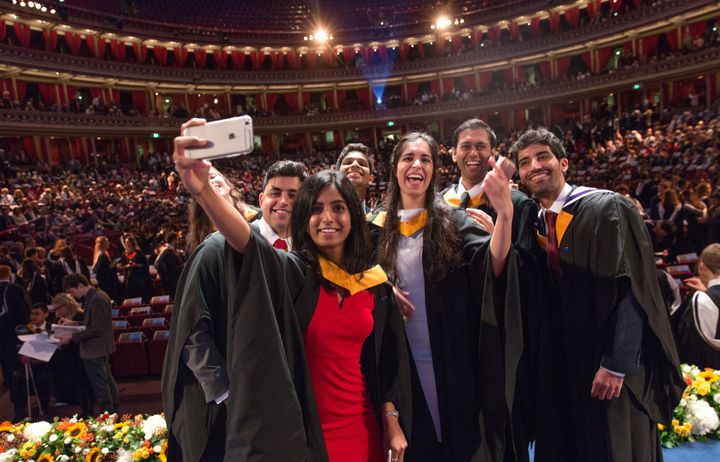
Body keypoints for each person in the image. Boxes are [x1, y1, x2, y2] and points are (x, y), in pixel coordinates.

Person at [173, 119, 411, 462]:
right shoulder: (294, 272)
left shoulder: (374, 284)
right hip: (306, 435)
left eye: (338, 207)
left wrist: (391, 420)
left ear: (352, 217)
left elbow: (388, 362)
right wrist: (203, 191)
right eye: (315, 209)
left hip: (364, 429)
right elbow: (247, 242)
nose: (327, 217)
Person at [510, 128, 684, 461]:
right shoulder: (534, 223)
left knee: (613, 447)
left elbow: (631, 288)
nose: (535, 166)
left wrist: (617, 363)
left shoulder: (607, 207)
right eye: (525, 161)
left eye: (543, 156)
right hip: (563, 366)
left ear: (563, 163)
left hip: (608, 363)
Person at [371, 131, 519, 461]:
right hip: (401, 364)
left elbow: (493, 266)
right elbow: (356, 280)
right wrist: (383, 286)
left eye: (425, 159)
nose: (417, 165)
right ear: (395, 167)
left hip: (453, 360)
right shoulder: (373, 230)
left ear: (435, 170)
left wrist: (504, 215)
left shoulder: (453, 223)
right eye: (408, 158)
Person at [163, 165, 251, 462]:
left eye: (217, 176)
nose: (211, 178)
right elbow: (193, 332)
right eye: (205, 180)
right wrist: (224, 392)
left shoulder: (257, 240)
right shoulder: (208, 251)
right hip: (218, 397)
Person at [55, 273, 119, 415]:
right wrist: (74, 323)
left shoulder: (96, 298)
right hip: (98, 347)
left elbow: (96, 329)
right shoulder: (95, 296)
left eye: (72, 291)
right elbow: (92, 321)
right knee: (106, 381)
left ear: (80, 285)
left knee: (101, 386)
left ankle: (108, 415)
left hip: (95, 348)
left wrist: (71, 337)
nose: (72, 295)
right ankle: (112, 412)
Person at [675, 243, 720, 368]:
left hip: (710, 377)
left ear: (702, 267)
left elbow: (690, 345)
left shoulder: (702, 299)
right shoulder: (706, 297)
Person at [49, 292, 94, 416]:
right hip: (66, 354)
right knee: (73, 382)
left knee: (83, 382)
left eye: (59, 308)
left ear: (67, 305)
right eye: (56, 309)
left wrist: (72, 326)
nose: (57, 312)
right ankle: (82, 407)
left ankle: (88, 410)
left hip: (79, 352)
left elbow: (88, 330)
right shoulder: (57, 318)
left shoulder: (80, 315)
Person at [255, 160, 306, 251]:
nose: (283, 201)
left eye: (293, 195)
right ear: (261, 200)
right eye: (276, 194)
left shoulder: (314, 247)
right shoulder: (237, 240)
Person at [0, 265, 30, 391]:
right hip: (14, 329)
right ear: (10, 274)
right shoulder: (16, 289)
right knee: (16, 356)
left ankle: (7, 380)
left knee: (3, 357)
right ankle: (18, 382)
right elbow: (24, 310)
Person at [336, 143, 374, 213]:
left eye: (362, 164)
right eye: (348, 162)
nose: (355, 164)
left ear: (370, 179)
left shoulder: (381, 221)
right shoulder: (323, 218)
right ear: (336, 175)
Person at [116, 235, 152, 301]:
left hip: (139, 277)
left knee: (140, 294)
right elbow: (122, 265)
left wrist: (136, 265)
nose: (127, 245)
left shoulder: (139, 253)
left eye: (129, 243)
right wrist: (126, 266)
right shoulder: (124, 254)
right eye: (126, 243)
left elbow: (145, 265)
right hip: (130, 278)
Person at [154, 232, 183, 298]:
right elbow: (170, 269)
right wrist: (183, 266)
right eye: (177, 239)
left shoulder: (168, 251)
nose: (178, 242)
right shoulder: (167, 252)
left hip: (170, 282)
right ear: (173, 240)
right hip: (170, 283)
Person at [92, 236, 120, 302]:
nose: (109, 243)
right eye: (107, 242)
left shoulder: (102, 254)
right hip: (108, 284)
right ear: (103, 244)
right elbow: (104, 270)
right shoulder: (102, 255)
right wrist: (114, 264)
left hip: (107, 283)